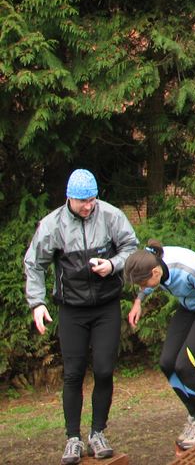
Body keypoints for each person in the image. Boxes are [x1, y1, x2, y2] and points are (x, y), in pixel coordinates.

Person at [24, 169, 138, 464]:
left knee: (103, 370)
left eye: (92, 199)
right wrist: (37, 302)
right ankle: (72, 438)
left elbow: (131, 248)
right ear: (69, 199)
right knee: (73, 374)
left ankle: (98, 433)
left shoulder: (111, 216)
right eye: (82, 201)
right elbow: (34, 263)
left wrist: (112, 265)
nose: (88, 206)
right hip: (71, 310)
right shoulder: (53, 225)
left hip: (106, 307)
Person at [125, 239, 195, 450]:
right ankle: (194, 415)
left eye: (143, 284)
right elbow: (147, 286)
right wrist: (138, 301)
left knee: (184, 366)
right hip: (188, 307)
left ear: (155, 272)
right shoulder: (153, 262)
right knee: (166, 362)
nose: (142, 288)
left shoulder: (190, 269)